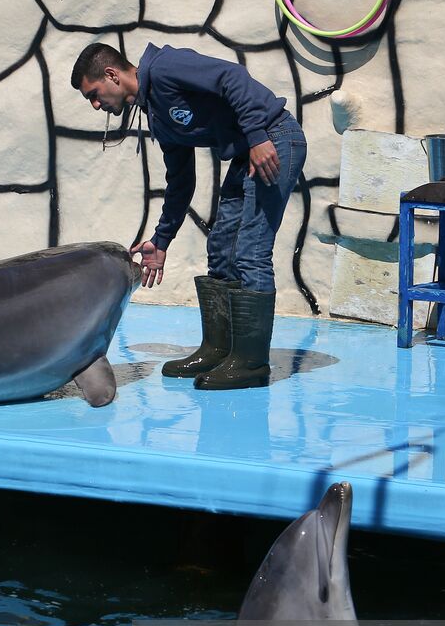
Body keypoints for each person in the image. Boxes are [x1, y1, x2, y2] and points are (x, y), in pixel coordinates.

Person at [69, 42, 307, 390]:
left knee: (251, 251)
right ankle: (219, 349)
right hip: (246, 155)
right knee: (222, 247)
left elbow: (232, 77)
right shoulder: (158, 114)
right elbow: (181, 181)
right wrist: (161, 240)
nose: (95, 104)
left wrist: (256, 136)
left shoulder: (165, 67)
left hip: (274, 139)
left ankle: (251, 363)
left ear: (111, 75)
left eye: (93, 93)